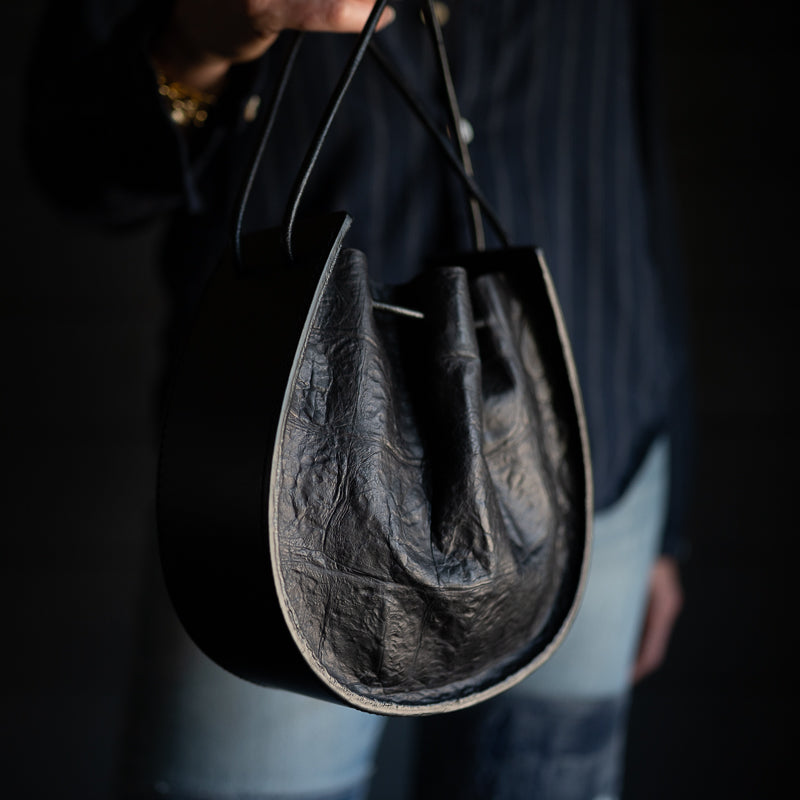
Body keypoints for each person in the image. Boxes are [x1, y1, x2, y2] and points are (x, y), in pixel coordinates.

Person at [25, 0, 691, 798]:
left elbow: (634, 142)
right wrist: (196, 43)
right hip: (279, 489)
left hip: (588, 441)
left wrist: (670, 515)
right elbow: (81, 167)